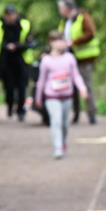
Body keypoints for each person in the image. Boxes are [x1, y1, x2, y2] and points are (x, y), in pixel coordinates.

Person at [35, 31, 88, 159]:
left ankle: (63, 142)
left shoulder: (70, 58)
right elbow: (41, 80)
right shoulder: (46, 60)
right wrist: (38, 97)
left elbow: (76, 75)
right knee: (56, 121)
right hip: (51, 96)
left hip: (66, 96)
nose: (62, 43)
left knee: (64, 124)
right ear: (51, 43)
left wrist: (82, 88)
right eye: (59, 41)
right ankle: (58, 148)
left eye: (63, 40)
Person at [57, 0, 100, 124]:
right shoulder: (64, 21)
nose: (59, 11)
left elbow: (90, 33)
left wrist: (73, 42)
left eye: (61, 8)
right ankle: (75, 114)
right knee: (71, 87)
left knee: (86, 86)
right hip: (69, 58)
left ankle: (91, 114)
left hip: (84, 59)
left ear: (67, 8)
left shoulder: (83, 17)